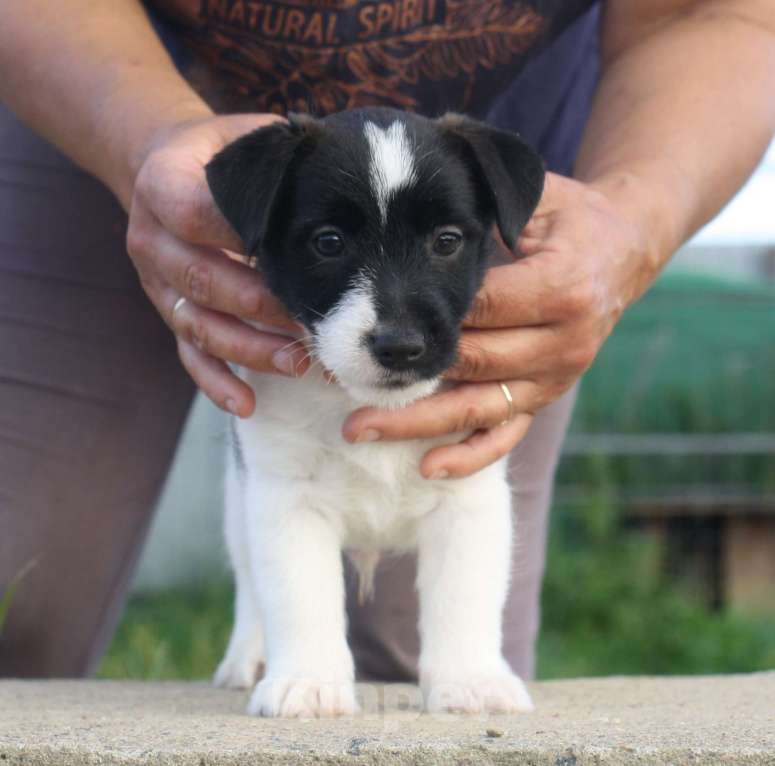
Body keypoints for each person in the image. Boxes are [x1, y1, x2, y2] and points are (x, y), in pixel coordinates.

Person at [1, 0, 773, 681]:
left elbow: (718, 13)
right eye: (331, 246)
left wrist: (632, 220)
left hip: (501, 119)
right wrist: (143, 135)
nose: (395, 329)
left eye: (444, 241)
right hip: (94, 77)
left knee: (429, 657)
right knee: (17, 595)